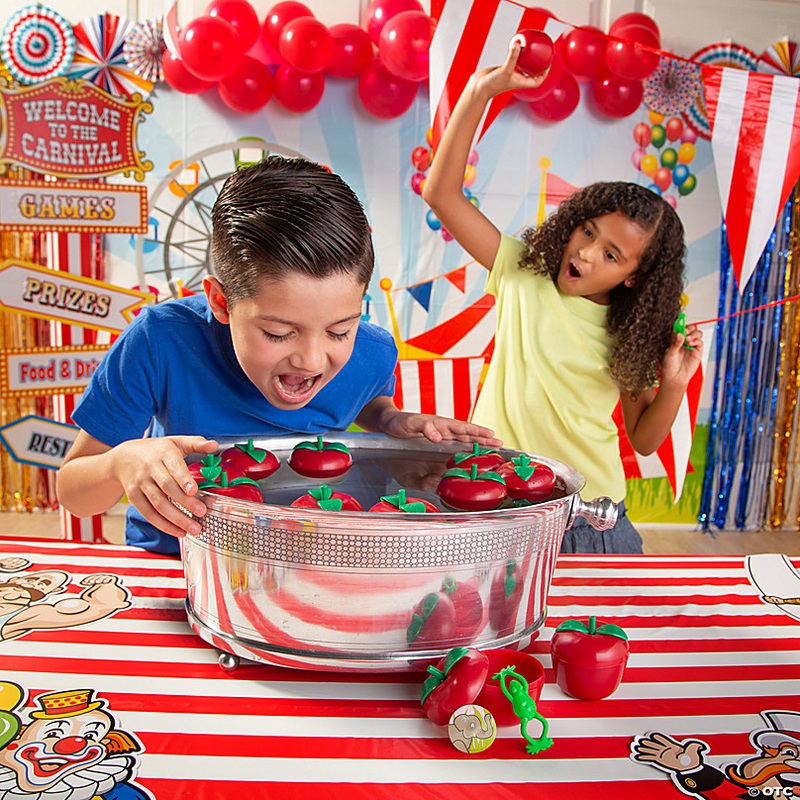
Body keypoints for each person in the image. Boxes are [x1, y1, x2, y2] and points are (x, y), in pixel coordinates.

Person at [57, 155, 500, 555]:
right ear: (220, 301)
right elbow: (74, 493)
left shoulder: (373, 353)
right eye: (278, 333)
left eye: (339, 330)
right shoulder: (160, 341)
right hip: (179, 559)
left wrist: (390, 421)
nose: (311, 360)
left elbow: (366, 402)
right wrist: (121, 462)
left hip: (314, 555)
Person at [422, 42, 704, 554]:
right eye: (588, 231)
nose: (589, 253)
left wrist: (675, 384)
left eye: (613, 255)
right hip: (495, 502)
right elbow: (441, 192)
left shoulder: (632, 334)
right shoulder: (520, 272)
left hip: (588, 519)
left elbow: (642, 441)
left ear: (635, 278)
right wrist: (483, 90)